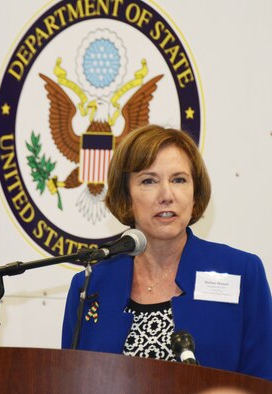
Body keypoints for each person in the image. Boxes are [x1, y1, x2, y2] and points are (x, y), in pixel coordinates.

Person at [62, 125, 272, 381]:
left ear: (195, 194)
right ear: (126, 196)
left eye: (179, 180)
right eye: (149, 181)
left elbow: (262, 380)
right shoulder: (91, 283)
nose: (166, 195)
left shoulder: (241, 271)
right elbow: (70, 381)